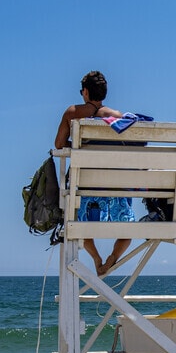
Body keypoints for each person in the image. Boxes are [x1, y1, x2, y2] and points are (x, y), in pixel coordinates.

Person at [55, 71, 132, 275]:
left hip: (87, 192)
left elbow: (58, 144)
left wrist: (80, 147)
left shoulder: (73, 112)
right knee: (128, 232)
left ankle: (97, 259)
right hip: (118, 190)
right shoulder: (118, 117)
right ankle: (111, 259)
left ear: (86, 91)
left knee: (79, 223)